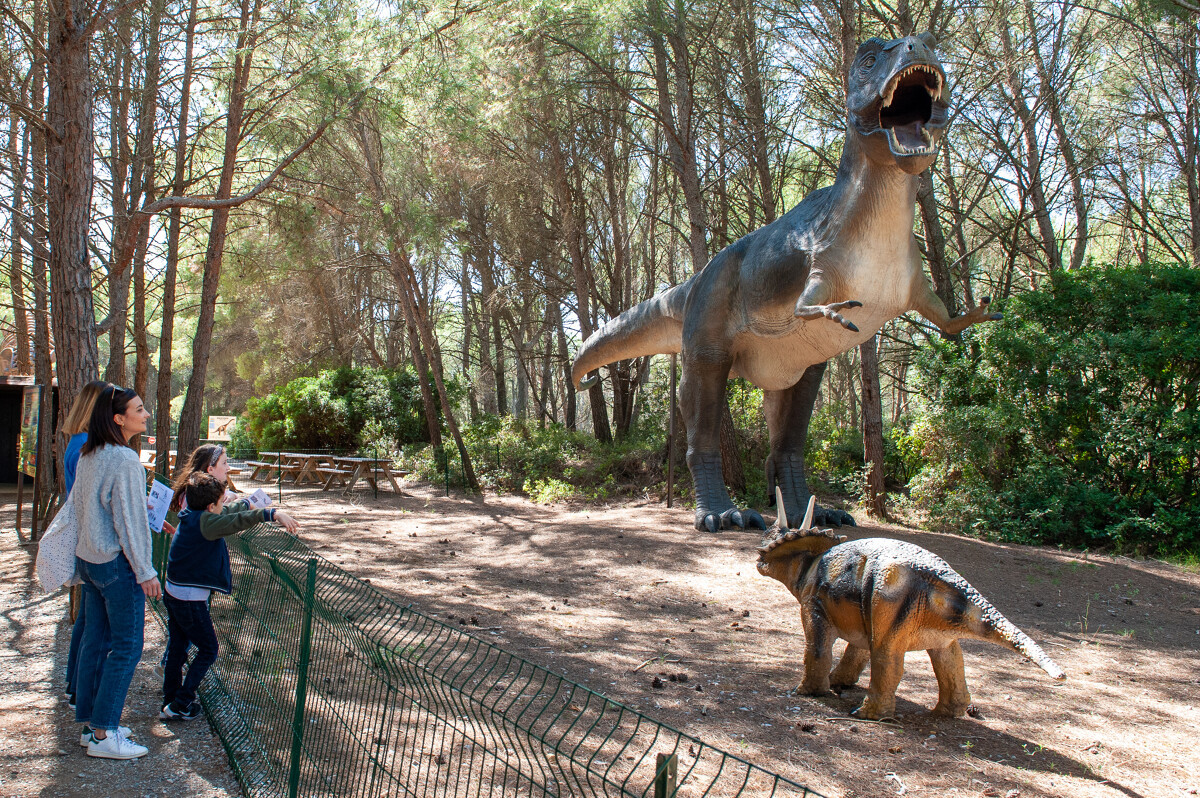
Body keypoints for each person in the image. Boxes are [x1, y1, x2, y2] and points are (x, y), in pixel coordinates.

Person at [160, 473, 298, 719]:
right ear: (211, 506)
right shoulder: (207, 523)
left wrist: (244, 503)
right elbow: (237, 521)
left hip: (174, 592)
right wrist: (271, 513)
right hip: (189, 599)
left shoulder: (192, 514)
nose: (223, 506)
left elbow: (228, 513)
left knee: (179, 646)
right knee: (209, 649)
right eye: (221, 502)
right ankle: (180, 703)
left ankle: (170, 698)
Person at [72, 386, 160, 759]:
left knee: (97, 641)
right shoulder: (124, 460)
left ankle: (94, 727)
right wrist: (146, 571)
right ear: (118, 419)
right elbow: (128, 522)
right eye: (139, 410)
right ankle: (105, 735)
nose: (146, 414)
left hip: (90, 562)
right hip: (115, 566)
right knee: (126, 648)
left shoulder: (91, 454)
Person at [60, 380, 111, 711]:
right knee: (94, 623)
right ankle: (81, 689)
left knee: (87, 620)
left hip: (86, 538)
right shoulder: (83, 447)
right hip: (91, 541)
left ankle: (74, 682)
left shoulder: (79, 444)